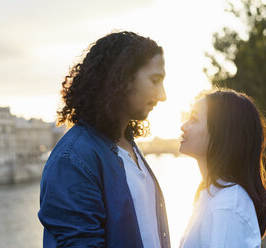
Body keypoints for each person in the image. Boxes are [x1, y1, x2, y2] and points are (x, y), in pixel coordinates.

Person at [38, 31, 170, 248]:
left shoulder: (128, 145)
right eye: (155, 80)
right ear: (122, 78)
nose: (162, 95)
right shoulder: (72, 159)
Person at [179, 89, 266, 247]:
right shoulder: (211, 195)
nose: (184, 126)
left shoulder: (228, 206)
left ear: (221, 133)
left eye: (194, 119)